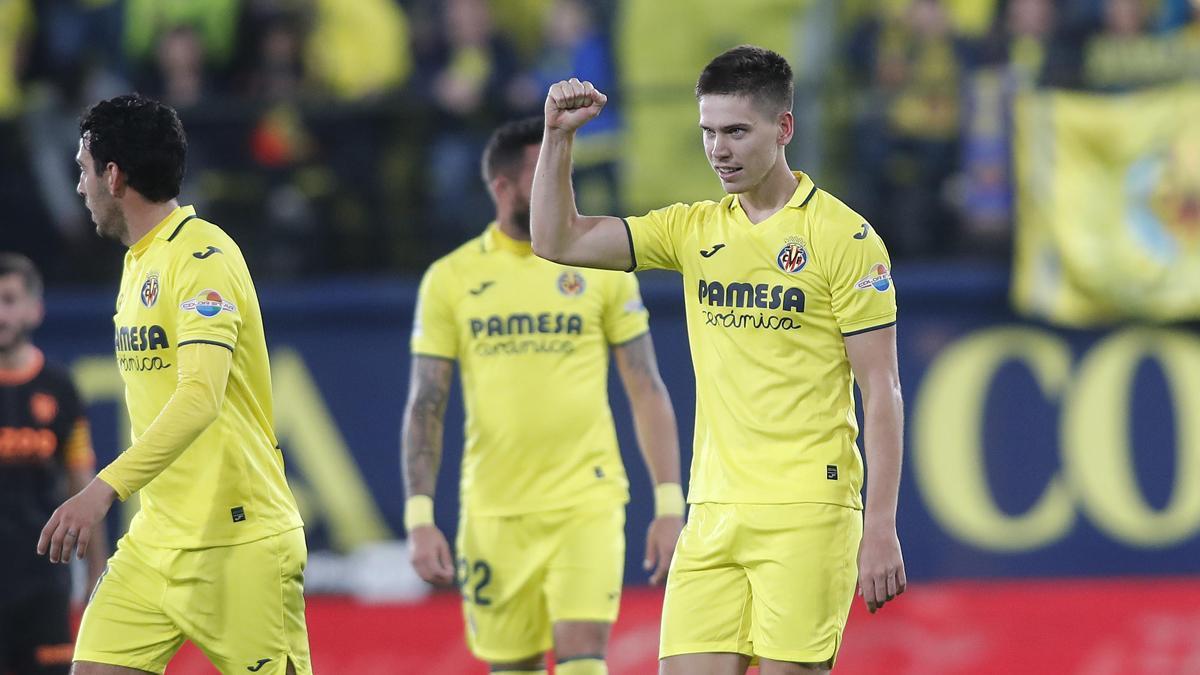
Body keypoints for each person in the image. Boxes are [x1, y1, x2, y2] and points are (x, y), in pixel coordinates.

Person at [530, 45, 907, 675]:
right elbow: (555, 239)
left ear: (784, 128)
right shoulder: (693, 228)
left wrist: (882, 526)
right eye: (708, 132)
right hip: (712, 515)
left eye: (736, 131)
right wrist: (556, 139)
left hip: (806, 513)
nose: (719, 150)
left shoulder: (845, 238)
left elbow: (883, 388)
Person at [36, 93, 310, 675]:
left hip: (239, 543)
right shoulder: (139, 261)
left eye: (84, 171)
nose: (79, 187)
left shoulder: (204, 257)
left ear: (113, 175)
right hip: (155, 544)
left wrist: (103, 489)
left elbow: (199, 398)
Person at [403, 116, 684, 675]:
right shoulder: (451, 278)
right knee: (514, 668)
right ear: (502, 186)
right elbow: (426, 403)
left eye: (565, 171)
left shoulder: (600, 264)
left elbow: (646, 387)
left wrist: (669, 503)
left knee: (583, 659)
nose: (560, 185)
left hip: (588, 499)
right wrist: (419, 515)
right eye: (543, 171)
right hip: (494, 511)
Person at [0, 253, 107, 675]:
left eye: (9, 300)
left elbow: (83, 486)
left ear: (34, 308)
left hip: (43, 587)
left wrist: (97, 578)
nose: (0, 314)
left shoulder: (59, 389)